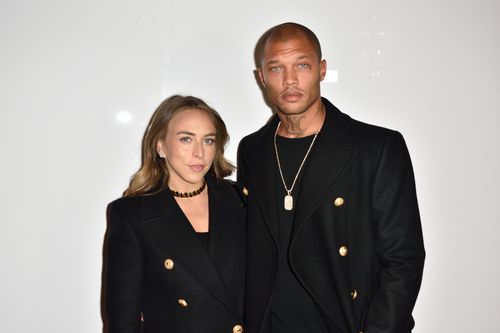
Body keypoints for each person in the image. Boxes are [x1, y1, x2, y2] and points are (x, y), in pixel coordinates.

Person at [237, 22, 425, 333]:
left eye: (302, 64)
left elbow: (403, 259)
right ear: (261, 78)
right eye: (276, 68)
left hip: (344, 323)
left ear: (322, 70)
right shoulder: (253, 150)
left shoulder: (375, 147)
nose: (290, 79)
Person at [102, 95, 245, 333]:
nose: (199, 152)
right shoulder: (131, 215)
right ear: (160, 145)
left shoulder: (241, 200)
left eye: (208, 140)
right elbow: (122, 321)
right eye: (186, 139)